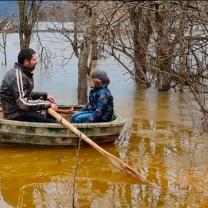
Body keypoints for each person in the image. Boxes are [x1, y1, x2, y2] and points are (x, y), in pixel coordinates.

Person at [0, 48, 58, 122]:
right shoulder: (17, 75)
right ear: (26, 61)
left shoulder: (22, 73)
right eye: (34, 60)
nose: (36, 62)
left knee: (49, 116)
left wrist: (44, 96)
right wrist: (48, 105)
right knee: (51, 123)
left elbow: (25, 93)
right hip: (15, 116)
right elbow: (23, 103)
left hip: (22, 111)